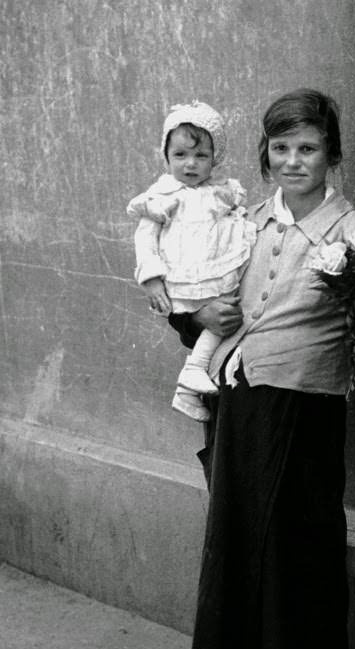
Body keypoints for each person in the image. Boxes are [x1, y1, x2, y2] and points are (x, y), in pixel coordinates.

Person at [168, 88, 355, 649]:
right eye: (281, 148)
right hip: (239, 399)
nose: (294, 161)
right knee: (245, 540)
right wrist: (197, 319)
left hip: (304, 407)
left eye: (308, 148)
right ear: (265, 156)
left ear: (332, 154)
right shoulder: (249, 223)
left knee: (300, 545)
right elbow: (203, 290)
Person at [128, 101, 255, 421]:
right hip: (185, 276)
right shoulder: (163, 195)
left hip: (215, 271)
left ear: (215, 158)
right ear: (166, 156)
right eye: (180, 155)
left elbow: (236, 216)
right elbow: (145, 238)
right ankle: (193, 373)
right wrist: (152, 278)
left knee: (227, 316)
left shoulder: (219, 190)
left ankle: (189, 385)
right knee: (218, 319)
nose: (190, 164)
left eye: (201, 156)